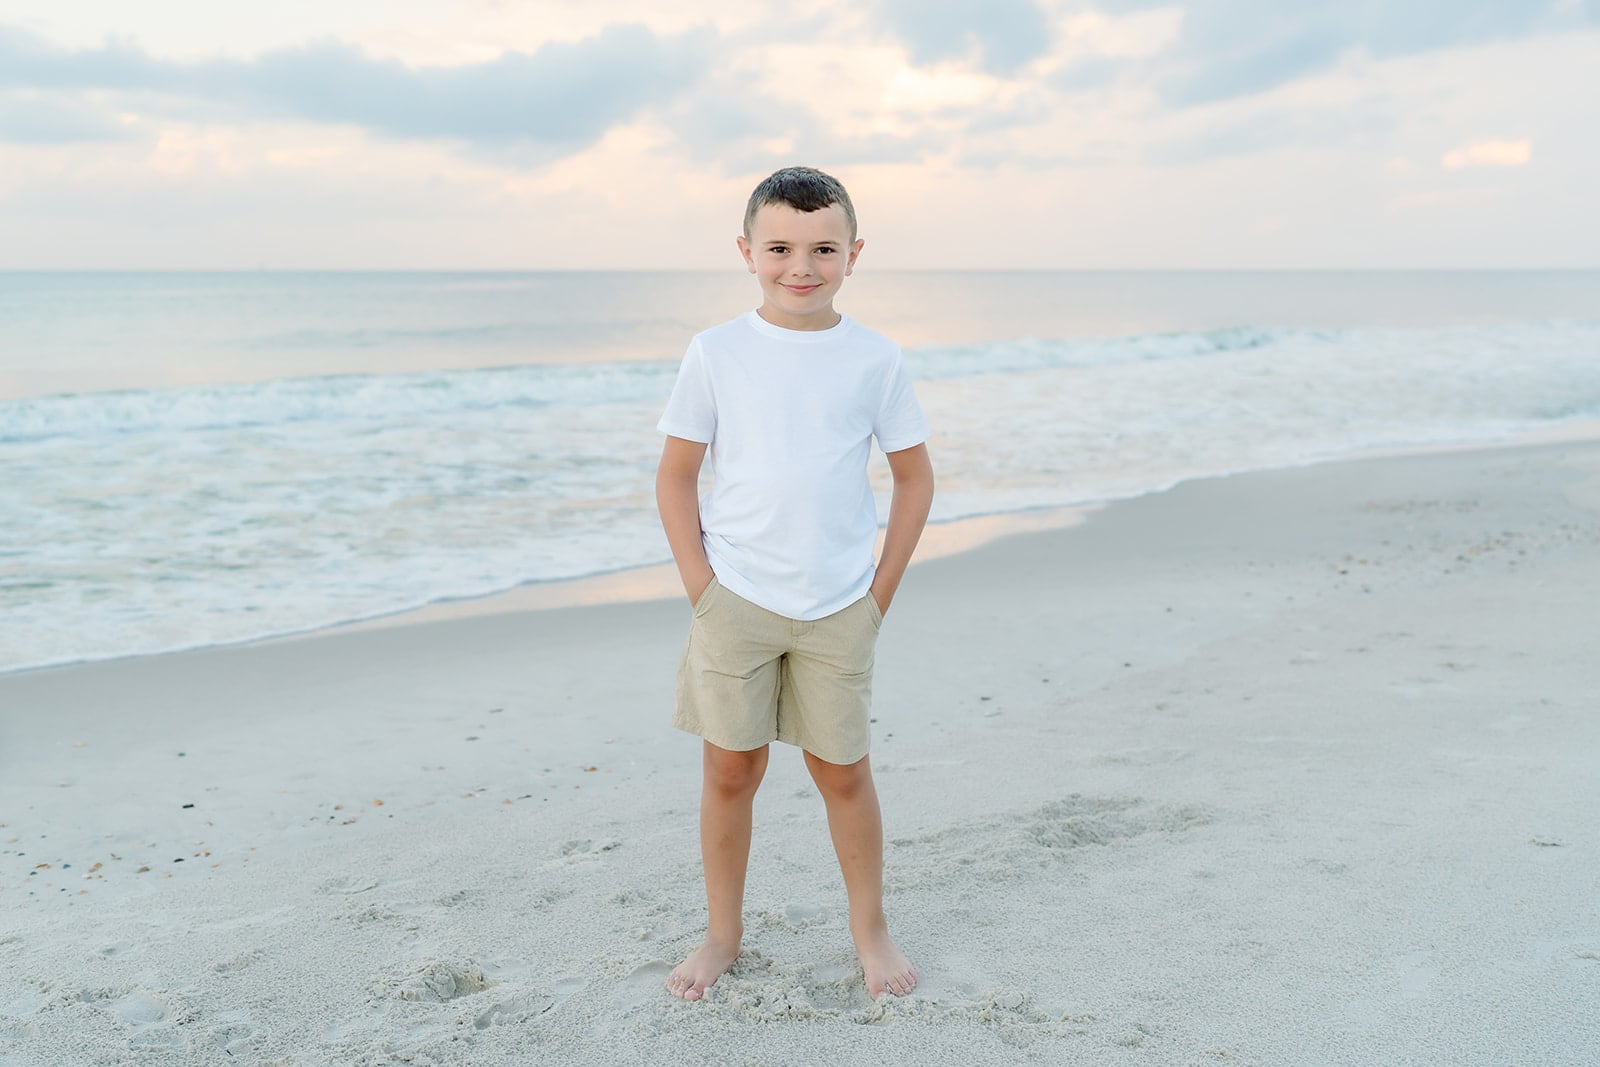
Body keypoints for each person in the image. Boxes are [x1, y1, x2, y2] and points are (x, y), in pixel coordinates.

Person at [655, 165, 935, 1002]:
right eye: (779, 248)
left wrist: (878, 593)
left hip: (840, 603)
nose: (800, 266)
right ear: (748, 252)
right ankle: (721, 933)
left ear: (854, 252)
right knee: (730, 769)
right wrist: (702, 587)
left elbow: (914, 479)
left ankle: (871, 932)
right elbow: (676, 476)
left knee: (843, 770)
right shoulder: (717, 352)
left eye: (822, 248)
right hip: (736, 598)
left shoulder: (876, 359)